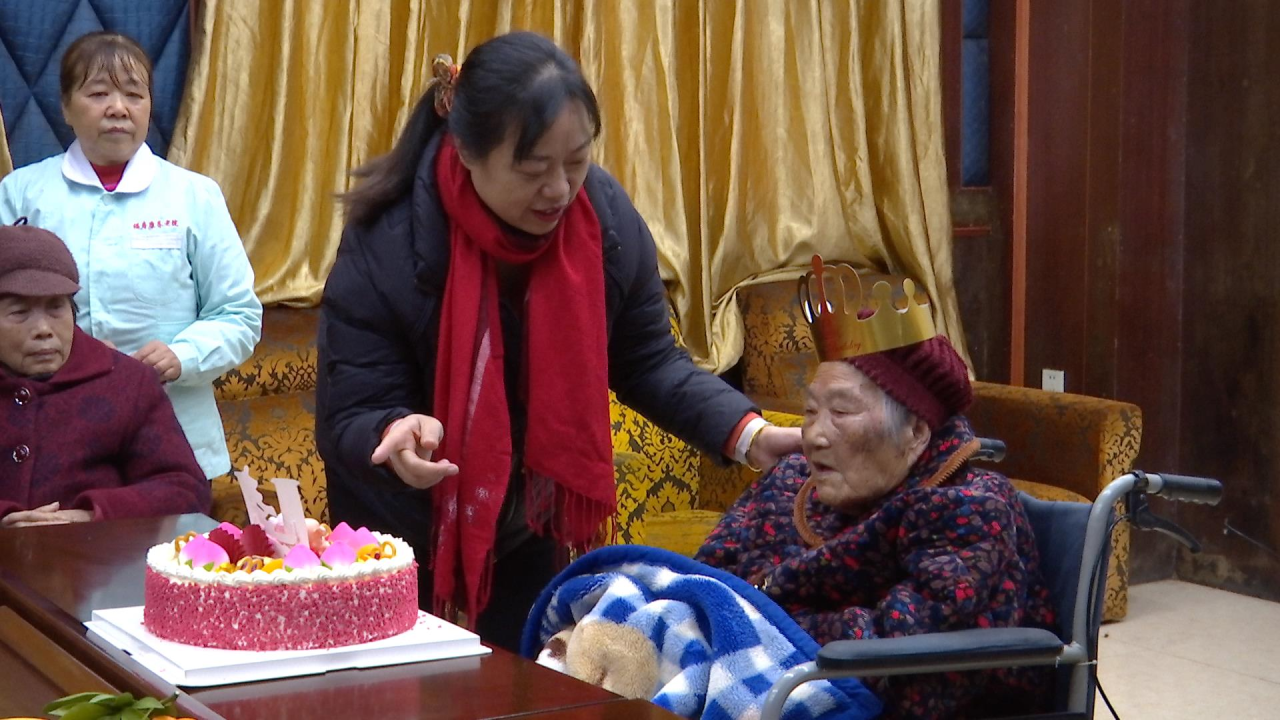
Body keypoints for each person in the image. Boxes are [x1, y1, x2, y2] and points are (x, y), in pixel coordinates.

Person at [316, 32, 801, 652]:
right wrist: (394, 431)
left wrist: (749, 434)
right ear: (466, 150)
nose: (560, 190)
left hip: (526, 523)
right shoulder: (386, 240)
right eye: (533, 168)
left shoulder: (603, 219)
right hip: (395, 540)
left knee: (522, 686)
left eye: (576, 160)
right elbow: (351, 410)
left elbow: (648, 360)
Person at [694, 260, 1056, 719]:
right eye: (810, 411)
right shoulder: (788, 481)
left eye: (842, 412)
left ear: (916, 433)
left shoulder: (968, 509)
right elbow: (703, 581)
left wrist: (754, 618)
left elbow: (898, 660)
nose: (814, 436)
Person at [0, 31, 262, 481]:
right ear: (66, 107)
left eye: (134, 95)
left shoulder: (194, 196)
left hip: (173, 430)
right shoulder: (21, 193)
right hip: (49, 435)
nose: (118, 108)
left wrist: (182, 356)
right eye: (98, 93)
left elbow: (239, 314)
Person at [0, 222, 210, 528]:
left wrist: (90, 517)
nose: (43, 329)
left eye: (56, 308)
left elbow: (185, 491)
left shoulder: (127, 383)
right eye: (19, 312)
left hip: (101, 555)